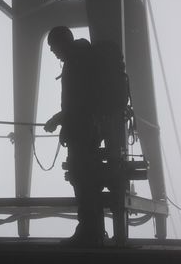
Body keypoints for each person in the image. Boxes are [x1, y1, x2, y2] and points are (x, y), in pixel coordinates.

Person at [44, 26, 105, 247]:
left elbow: (78, 103)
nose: (53, 52)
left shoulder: (77, 62)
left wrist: (58, 121)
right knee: (87, 180)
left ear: (62, 42)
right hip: (87, 129)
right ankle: (94, 231)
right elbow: (79, 103)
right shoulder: (82, 58)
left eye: (53, 47)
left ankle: (88, 233)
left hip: (83, 131)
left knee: (82, 180)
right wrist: (64, 125)